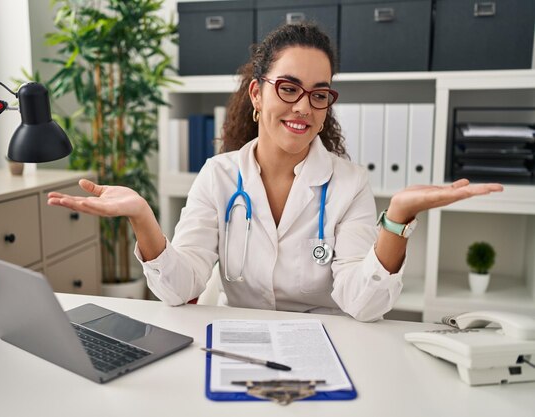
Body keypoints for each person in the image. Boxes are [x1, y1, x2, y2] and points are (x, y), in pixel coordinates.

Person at [47, 23, 502, 322]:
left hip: (328, 341)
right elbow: (179, 287)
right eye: (288, 88)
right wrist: (143, 218)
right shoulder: (219, 175)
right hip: (237, 343)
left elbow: (362, 304)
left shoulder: (349, 183)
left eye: (319, 94)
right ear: (258, 94)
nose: (304, 106)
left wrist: (397, 219)